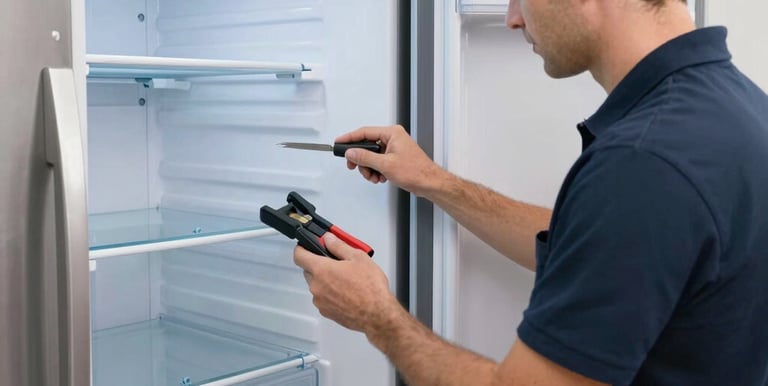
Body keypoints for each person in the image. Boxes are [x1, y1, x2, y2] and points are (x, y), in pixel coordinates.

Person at [294, 0, 768, 385]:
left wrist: (378, 317)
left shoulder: (643, 163)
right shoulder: (738, 108)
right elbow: (599, 250)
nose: (512, 17)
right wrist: (432, 180)